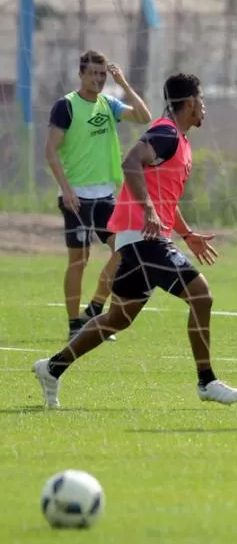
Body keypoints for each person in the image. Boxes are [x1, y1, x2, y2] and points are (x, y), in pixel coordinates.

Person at [33, 73, 237, 409]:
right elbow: (131, 161)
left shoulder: (180, 141)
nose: (204, 106)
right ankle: (207, 381)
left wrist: (187, 234)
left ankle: (52, 368)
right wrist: (147, 209)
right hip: (143, 237)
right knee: (201, 296)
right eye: (201, 100)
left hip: (140, 238)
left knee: (118, 318)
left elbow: (166, 201)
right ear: (190, 102)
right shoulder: (165, 132)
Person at [45, 50, 152, 340]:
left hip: (105, 195)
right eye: (92, 74)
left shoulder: (109, 104)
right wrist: (66, 190)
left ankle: (94, 309)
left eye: (102, 74)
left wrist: (125, 84)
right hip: (76, 196)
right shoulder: (65, 106)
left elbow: (144, 117)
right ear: (81, 75)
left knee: (124, 251)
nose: (98, 79)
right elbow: (50, 150)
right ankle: (74, 325)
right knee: (79, 260)